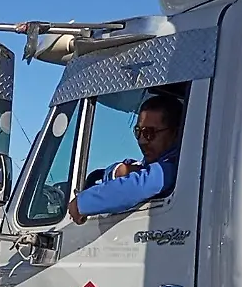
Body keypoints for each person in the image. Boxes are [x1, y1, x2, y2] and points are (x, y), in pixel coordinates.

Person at [68, 94, 184, 224]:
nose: (142, 141)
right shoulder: (153, 163)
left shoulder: (175, 167)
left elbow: (138, 187)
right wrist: (118, 171)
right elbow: (130, 171)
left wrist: (82, 203)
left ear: (175, 133)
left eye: (149, 133)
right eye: (138, 132)